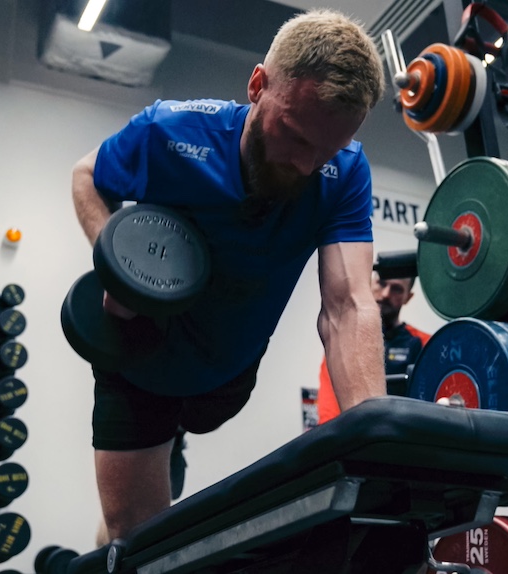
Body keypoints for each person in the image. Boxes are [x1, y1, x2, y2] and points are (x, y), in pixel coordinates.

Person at [70, 9, 387, 546]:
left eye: (326, 150)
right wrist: (121, 272)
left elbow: (348, 305)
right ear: (258, 84)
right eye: (294, 135)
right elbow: (86, 177)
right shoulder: (169, 132)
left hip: (227, 373)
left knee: (169, 460)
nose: (308, 165)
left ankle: (167, 448)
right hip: (141, 357)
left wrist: (375, 439)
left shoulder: (345, 172)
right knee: (135, 538)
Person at [316, 273, 431, 425]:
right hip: (353, 440)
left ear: (407, 297)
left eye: (396, 289)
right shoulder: (343, 343)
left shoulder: (426, 344)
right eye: (381, 283)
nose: (385, 294)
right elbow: (329, 417)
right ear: (370, 283)